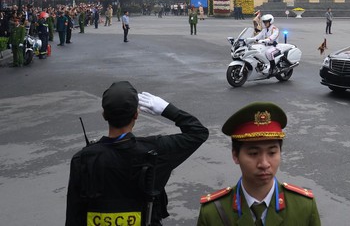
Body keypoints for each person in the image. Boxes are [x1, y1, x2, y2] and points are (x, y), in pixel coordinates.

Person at [65, 81, 209, 226]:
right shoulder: (155, 150)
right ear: (136, 114)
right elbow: (198, 133)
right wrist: (166, 109)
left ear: (104, 115)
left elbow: (74, 213)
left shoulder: (83, 158)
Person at [197, 102, 321, 226]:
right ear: (235, 155)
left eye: (272, 153)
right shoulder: (212, 213)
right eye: (253, 153)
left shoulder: (304, 207)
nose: (264, 164)